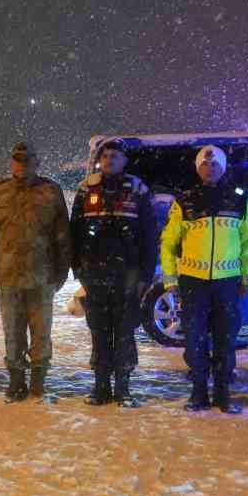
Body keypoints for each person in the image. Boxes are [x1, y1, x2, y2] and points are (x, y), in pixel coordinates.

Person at [159, 145, 248, 414]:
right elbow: (169, 242)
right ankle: (199, 392)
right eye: (204, 165)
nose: (209, 169)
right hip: (193, 282)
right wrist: (171, 279)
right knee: (195, 339)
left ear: (223, 168)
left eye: (215, 165)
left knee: (226, 339)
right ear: (198, 168)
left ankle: (223, 393)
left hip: (228, 282)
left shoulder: (239, 199)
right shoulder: (185, 200)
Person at [0, 141, 71, 402]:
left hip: (42, 275)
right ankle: (16, 382)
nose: (22, 164)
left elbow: (62, 234)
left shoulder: (51, 192)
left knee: (41, 332)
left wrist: (62, 270)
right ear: (11, 163)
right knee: (12, 332)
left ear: (37, 163)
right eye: (18, 160)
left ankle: (38, 382)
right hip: (7, 275)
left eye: (28, 160)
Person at [71, 138, 159, 408]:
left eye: (115, 156)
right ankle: (100, 387)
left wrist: (145, 274)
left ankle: (123, 387)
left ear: (125, 160)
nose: (109, 160)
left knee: (124, 332)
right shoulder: (86, 189)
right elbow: (74, 232)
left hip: (127, 277)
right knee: (98, 331)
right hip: (95, 274)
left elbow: (149, 235)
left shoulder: (138, 190)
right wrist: (78, 268)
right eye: (105, 156)